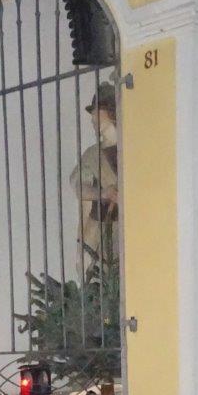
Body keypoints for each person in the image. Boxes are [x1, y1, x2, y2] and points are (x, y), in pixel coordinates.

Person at [69, 79, 119, 273]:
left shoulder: (133, 149)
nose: (93, 118)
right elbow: (79, 188)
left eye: (98, 112)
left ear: (112, 112)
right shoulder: (92, 155)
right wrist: (104, 193)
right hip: (99, 233)